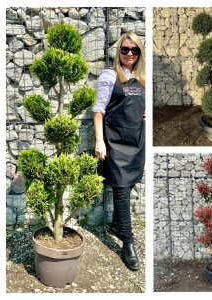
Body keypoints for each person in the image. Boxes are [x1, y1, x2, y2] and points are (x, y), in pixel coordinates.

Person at [93, 32, 145, 271]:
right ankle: (128, 243)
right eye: (125, 49)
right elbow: (99, 111)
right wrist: (99, 141)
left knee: (129, 185)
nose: (130, 54)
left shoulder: (142, 77)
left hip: (136, 142)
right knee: (122, 191)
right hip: (115, 142)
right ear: (119, 52)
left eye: (134, 50)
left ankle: (116, 224)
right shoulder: (109, 76)